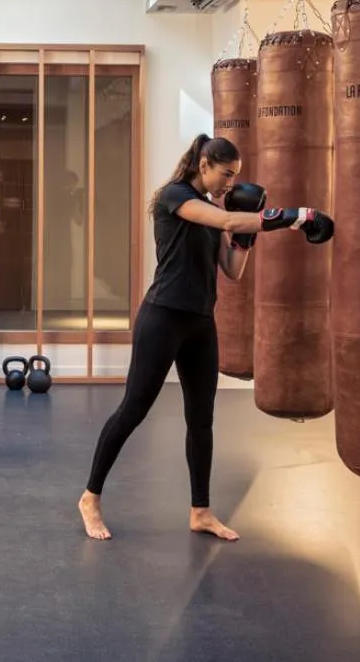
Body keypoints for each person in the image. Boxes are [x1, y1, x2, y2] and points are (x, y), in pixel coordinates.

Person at [77, 133, 333, 541]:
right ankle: (90, 497)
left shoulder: (212, 211)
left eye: (235, 177)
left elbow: (232, 270)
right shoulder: (175, 198)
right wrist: (296, 216)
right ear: (204, 166)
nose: (230, 184)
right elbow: (229, 220)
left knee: (201, 419)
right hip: (162, 317)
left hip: (199, 323)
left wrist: (247, 238)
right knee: (134, 409)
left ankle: (201, 511)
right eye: (226, 174)